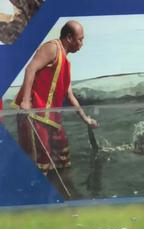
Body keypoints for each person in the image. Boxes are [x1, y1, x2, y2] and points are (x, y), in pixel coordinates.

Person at [14, 20, 97, 175]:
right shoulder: (52, 48)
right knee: (41, 160)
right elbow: (30, 68)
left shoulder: (66, 63)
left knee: (62, 152)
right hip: (34, 115)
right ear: (69, 38)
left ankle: (62, 192)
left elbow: (69, 95)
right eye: (80, 39)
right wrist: (26, 101)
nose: (82, 44)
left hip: (51, 118)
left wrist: (86, 119)